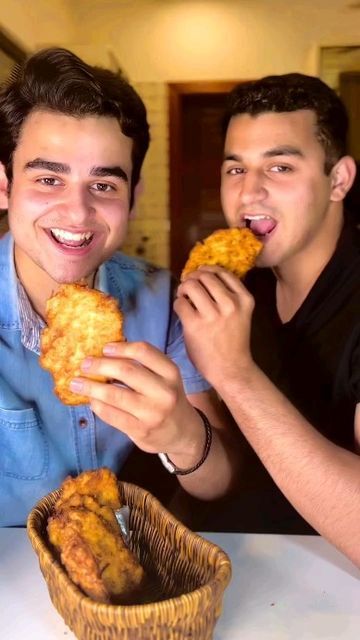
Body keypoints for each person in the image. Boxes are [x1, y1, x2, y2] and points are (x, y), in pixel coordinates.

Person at [0, 47, 238, 527]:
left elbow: (218, 483)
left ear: (133, 197)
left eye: (104, 186)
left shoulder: (166, 302)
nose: (78, 212)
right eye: (48, 179)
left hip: (131, 577)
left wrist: (181, 434)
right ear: (4, 186)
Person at [175, 73, 360, 567]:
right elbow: (221, 460)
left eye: (279, 167)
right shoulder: (238, 285)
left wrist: (234, 373)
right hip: (226, 568)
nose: (249, 194)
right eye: (235, 170)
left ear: (338, 180)